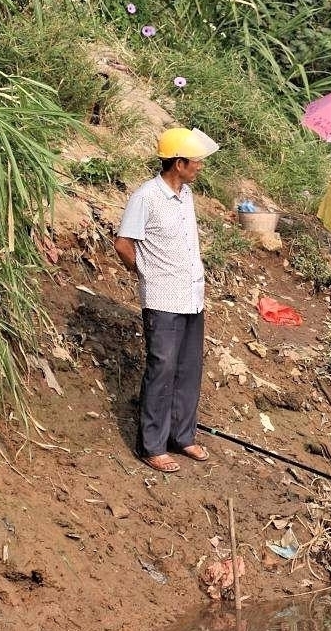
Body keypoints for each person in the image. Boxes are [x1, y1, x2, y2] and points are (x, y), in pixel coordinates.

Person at [114, 127, 218, 473]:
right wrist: (145, 274)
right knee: (161, 369)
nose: (200, 167)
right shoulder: (146, 197)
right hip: (162, 298)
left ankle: (182, 435)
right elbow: (123, 244)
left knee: (188, 369)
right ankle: (152, 445)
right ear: (178, 163)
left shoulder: (185, 195)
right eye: (195, 162)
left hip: (192, 295)